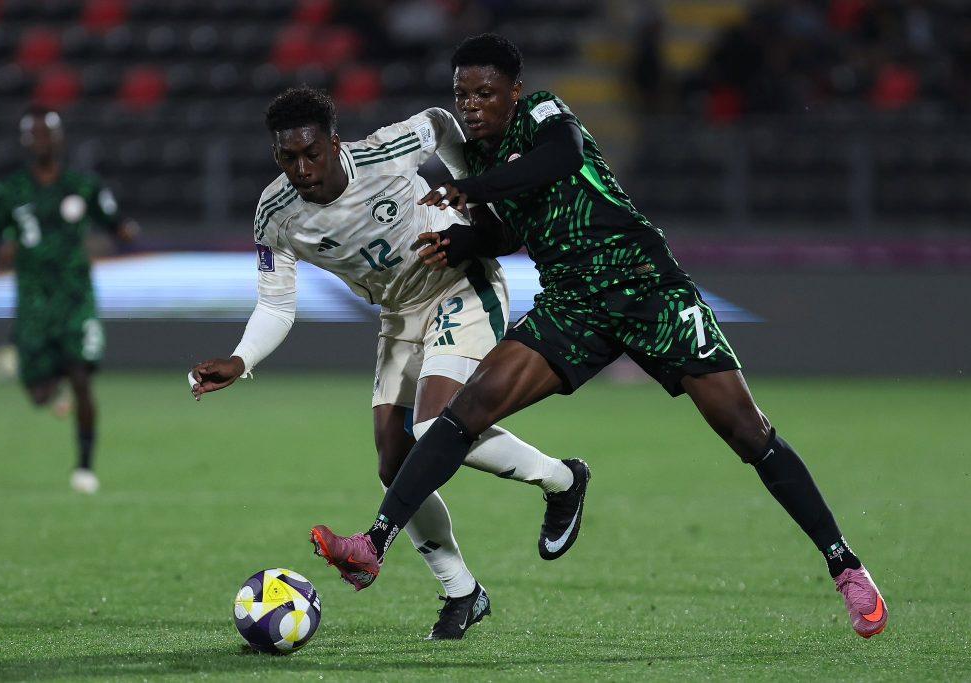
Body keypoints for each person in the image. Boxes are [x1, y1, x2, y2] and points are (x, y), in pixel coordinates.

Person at [311, 34, 888, 640]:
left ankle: (845, 566)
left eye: (486, 93)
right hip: (573, 303)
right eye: (462, 94)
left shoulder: (543, 114)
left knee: (748, 433)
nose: (473, 105)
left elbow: (558, 160)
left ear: (513, 92)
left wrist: (473, 193)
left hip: (646, 288)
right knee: (466, 410)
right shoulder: (477, 159)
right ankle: (375, 542)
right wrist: (466, 240)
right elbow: (512, 230)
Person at [187, 87, 590, 640]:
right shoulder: (274, 214)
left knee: (433, 423)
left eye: (311, 153)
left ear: (334, 143)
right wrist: (241, 358)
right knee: (393, 461)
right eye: (287, 158)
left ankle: (562, 479)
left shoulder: (387, 149)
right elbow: (276, 302)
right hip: (400, 314)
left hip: (459, 285)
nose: (301, 169)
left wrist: (471, 196)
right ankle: (462, 592)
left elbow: (443, 122)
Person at [0, 105, 137, 494]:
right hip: (34, 302)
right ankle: (52, 387)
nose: (40, 142)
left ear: (58, 139)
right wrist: (2, 250)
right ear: (25, 142)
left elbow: (117, 225)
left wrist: (123, 232)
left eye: (46, 134)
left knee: (82, 377)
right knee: (38, 394)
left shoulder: (83, 186)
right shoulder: (10, 191)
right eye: (33, 135)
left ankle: (85, 467)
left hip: (75, 298)